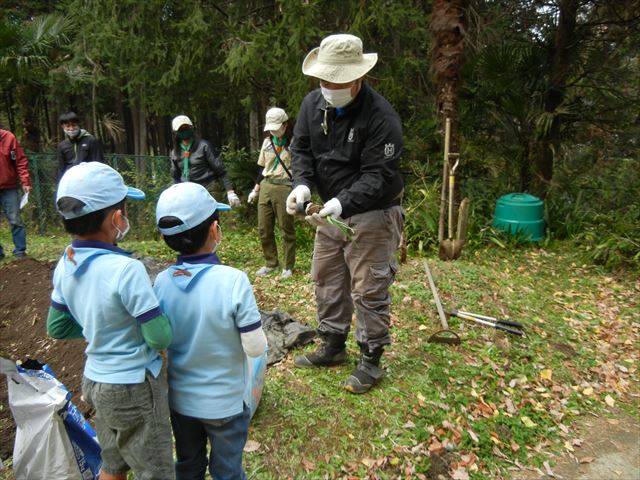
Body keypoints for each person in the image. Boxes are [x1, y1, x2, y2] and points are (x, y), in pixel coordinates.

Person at [286, 34, 404, 394]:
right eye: (324, 80)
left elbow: (379, 175)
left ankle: (371, 357)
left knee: (368, 286)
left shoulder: (381, 116)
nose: (329, 87)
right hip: (328, 212)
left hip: (373, 212)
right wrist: (302, 185)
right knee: (327, 277)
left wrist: (341, 203)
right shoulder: (312, 104)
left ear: (358, 77)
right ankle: (332, 343)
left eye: (337, 82)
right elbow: (301, 149)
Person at [47, 162, 175, 480]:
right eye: (125, 210)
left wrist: (98, 327)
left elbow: (57, 326)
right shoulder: (126, 270)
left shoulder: (66, 262)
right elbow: (159, 338)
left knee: (113, 463)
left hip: (95, 383)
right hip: (134, 386)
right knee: (156, 469)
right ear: (117, 218)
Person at [154, 182, 267, 480]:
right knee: (226, 470)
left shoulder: (161, 282)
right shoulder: (233, 280)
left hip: (180, 402)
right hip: (225, 404)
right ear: (214, 230)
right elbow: (256, 347)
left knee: (189, 465)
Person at [248, 107, 296, 279]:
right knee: (264, 228)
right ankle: (271, 263)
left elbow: (300, 169)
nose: (274, 131)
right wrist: (255, 189)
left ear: (285, 124)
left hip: (284, 187)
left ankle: (288, 266)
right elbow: (262, 168)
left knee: (286, 228)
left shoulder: (295, 143)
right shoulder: (267, 142)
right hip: (266, 185)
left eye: (277, 127)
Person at [169, 115, 241, 208]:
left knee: (210, 220)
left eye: (186, 128)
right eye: (181, 129)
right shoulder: (175, 153)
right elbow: (175, 177)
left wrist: (230, 192)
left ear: (191, 128)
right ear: (175, 133)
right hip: (187, 192)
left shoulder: (204, 146)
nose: (184, 131)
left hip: (208, 188)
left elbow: (221, 171)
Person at [0, 129, 31, 259]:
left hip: (9, 187)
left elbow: (20, 161)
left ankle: (20, 251)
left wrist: (25, 181)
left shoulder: (9, 137)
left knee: (15, 219)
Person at [56, 111, 105, 179]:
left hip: (89, 179)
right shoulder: (62, 145)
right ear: (63, 126)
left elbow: (99, 164)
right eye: (68, 126)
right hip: (71, 180)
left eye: (74, 125)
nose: (71, 128)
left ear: (78, 124)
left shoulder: (91, 141)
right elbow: (62, 168)